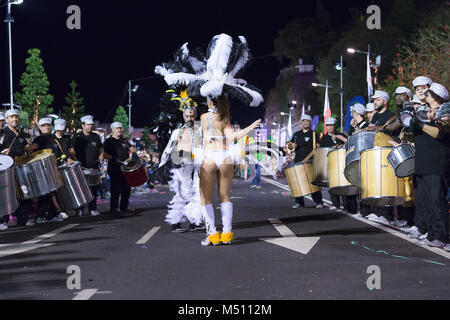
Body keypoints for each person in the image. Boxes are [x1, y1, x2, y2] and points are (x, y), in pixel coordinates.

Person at [407, 83, 450, 249]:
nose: (423, 94)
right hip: (423, 163)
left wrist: (420, 125)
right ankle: (433, 235)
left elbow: (441, 133)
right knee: (425, 202)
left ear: (434, 95)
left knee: (436, 200)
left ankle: (442, 236)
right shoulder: (424, 113)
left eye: (427, 92)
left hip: (437, 164)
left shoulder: (445, 110)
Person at [159, 102, 205, 232]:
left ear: (195, 116)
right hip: (182, 165)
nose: (190, 118)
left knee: (198, 193)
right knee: (180, 193)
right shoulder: (178, 131)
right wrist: (164, 164)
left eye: (192, 116)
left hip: (197, 165)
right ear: (183, 116)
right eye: (187, 116)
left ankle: (194, 222)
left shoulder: (201, 130)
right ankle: (176, 223)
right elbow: (169, 148)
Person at [0, 109, 38, 227]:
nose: (14, 119)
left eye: (16, 117)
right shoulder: (2, 134)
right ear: (7, 120)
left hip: (20, 168)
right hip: (7, 170)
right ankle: (3, 220)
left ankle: (23, 220)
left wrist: (28, 148)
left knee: (24, 193)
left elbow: (23, 149)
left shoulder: (20, 134)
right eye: (11, 117)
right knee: (6, 195)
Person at [32, 117, 69, 223]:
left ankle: (51, 215)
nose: (47, 127)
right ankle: (40, 216)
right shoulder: (37, 140)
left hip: (55, 168)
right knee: (45, 193)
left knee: (53, 192)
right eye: (44, 126)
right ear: (40, 128)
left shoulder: (54, 139)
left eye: (48, 125)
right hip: (42, 170)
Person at [318, 117, 358, 214]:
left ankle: (346, 206)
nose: (330, 127)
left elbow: (350, 145)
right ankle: (335, 204)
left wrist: (342, 145)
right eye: (328, 125)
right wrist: (331, 148)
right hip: (330, 164)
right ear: (326, 126)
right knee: (332, 184)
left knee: (343, 184)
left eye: (332, 125)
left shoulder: (341, 135)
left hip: (341, 163)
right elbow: (322, 151)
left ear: (335, 126)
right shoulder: (323, 138)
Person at [69, 115, 103, 216]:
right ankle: (79, 209)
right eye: (88, 125)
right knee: (81, 189)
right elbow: (71, 150)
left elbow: (101, 148)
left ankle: (92, 208)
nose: (90, 127)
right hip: (81, 167)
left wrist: (101, 155)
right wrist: (76, 160)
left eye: (91, 125)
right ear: (83, 125)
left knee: (93, 189)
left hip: (94, 167)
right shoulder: (77, 136)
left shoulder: (95, 136)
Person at [290, 114, 324, 209]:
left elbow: (316, 148)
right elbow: (291, 147)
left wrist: (307, 158)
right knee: (298, 182)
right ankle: (299, 202)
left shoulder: (314, 134)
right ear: (302, 122)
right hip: (298, 161)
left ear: (310, 122)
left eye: (307, 121)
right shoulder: (296, 134)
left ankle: (319, 202)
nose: (305, 123)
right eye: (304, 121)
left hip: (310, 162)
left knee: (313, 182)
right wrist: (292, 147)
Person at [103, 122, 137, 214]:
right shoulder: (108, 141)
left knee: (126, 188)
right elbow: (104, 153)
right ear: (112, 130)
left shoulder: (124, 140)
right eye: (117, 128)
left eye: (120, 128)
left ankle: (124, 206)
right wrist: (114, 159)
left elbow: (131, 149)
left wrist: (133, 150)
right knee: (115, 189)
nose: (119, 130)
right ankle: (114, 208)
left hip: (126, 168)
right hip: (115, 168)